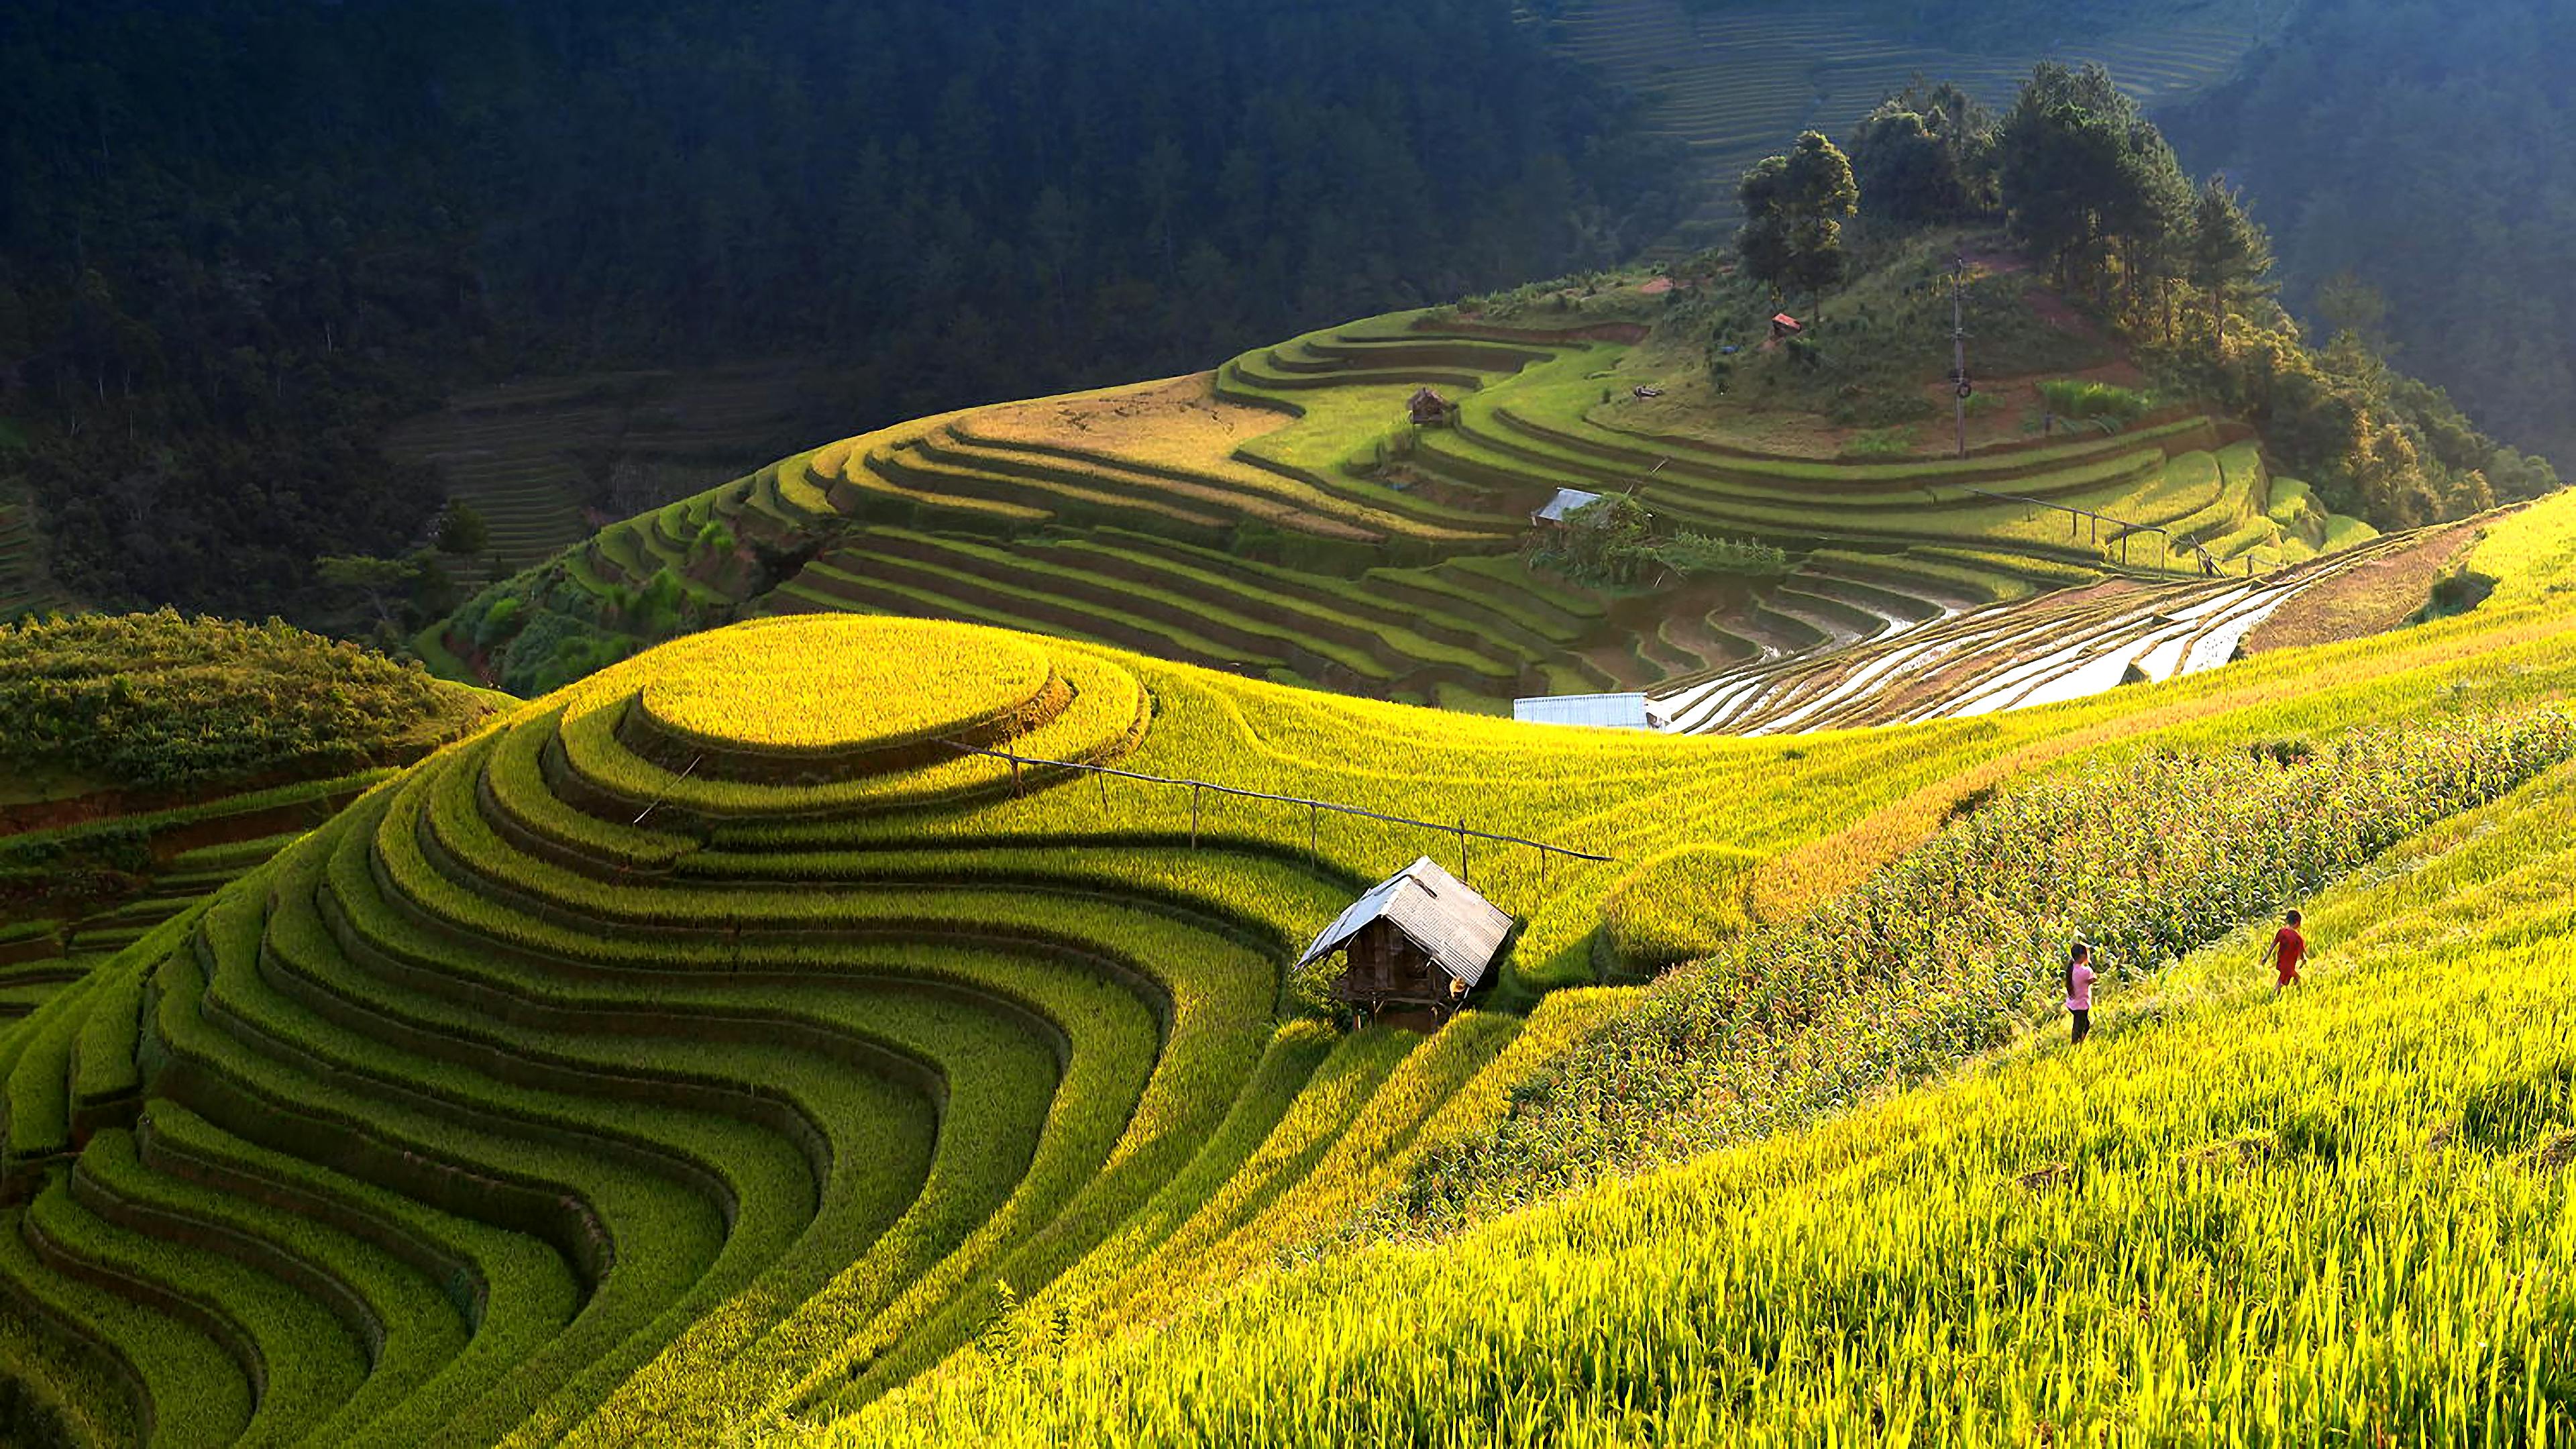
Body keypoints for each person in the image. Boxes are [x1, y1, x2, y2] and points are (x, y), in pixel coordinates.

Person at [2260, 909, 2306, 992]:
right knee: (2281, 983)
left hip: (2281, 961)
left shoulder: (2282, 932)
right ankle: (2273, 996)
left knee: (2294, 978)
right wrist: (2303, 960)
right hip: (2289, 965)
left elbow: (2273, 945)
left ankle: (2295, 993)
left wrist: (2266, 957)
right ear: (2297, 923)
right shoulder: (2297, 938)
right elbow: (2301, 952)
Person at [2065, 941, 2096, 1044]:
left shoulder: (2071, 968)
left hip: (2072, 1003)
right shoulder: (2085, 971)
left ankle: (2079, 1044)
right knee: (2081, 1026)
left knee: (2083, 1024)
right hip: (2081, 1005)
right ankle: (2075, 1045)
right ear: (2082, 956)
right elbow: (2093, 979)